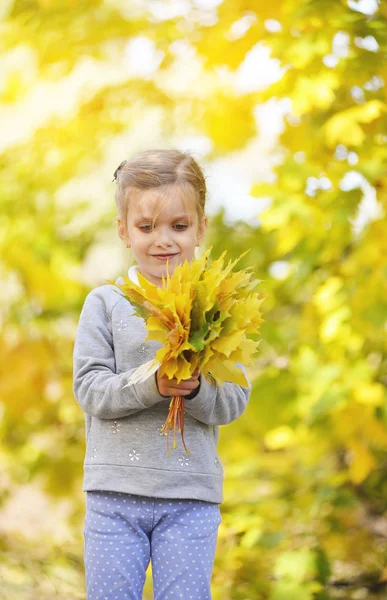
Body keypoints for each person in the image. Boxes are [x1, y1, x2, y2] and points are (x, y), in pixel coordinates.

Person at [73, 149, 251, 600]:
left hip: (190, 497)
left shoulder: (214, 305)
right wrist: (151, 385)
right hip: (115, 496)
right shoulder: (107, 304)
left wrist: (193, 392)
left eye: (179, 225)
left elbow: (233, 400)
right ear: (123, 230)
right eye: (146, 227)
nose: (163, 240)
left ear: (201, 227)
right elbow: (90, 390)